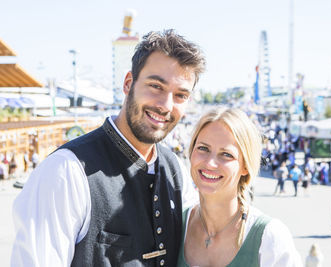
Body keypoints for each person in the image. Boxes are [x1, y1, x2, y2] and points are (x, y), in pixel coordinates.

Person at [12, 29, 205, 267]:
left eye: (180, 95)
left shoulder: (175, 170)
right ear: (128, 83)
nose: (165, 105)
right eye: (156, 86)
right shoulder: (66, 171)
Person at [177, 108, 302, 266]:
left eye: (226, 154)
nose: (210, 163)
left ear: (245, 167)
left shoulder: (269, 238)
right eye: (203, 148)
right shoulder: (174, 224)